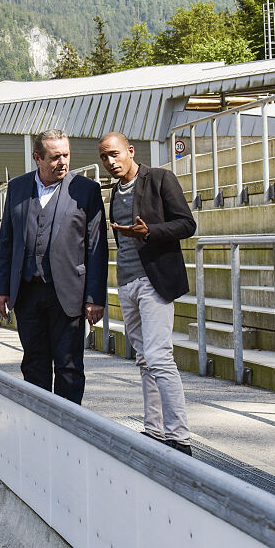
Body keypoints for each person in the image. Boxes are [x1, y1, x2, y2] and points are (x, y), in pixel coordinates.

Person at [98, 132, 196, 455]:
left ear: (130, 151)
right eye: (104, 157)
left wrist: (150, 231)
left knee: (158, 356)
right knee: (143, 359)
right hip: (126, 282)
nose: (110, 162)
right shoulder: (115, 192)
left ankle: (179, 437)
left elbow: (186, 224)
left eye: (115, 154)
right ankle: (154, 430)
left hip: (154, 281)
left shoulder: (159, 179)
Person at [0, 129, 106, 404]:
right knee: (33, 363)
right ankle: (39, 423)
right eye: (55, 157)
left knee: (69, 366)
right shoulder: (17, 188)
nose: (63, 162)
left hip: (68, 293)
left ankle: (69, 427)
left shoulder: (86, 190)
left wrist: (94, 298)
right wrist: (1, 289)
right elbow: (6, 241)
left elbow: (96, 248)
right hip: (27, 292)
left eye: (66, 154)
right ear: (37, 158)